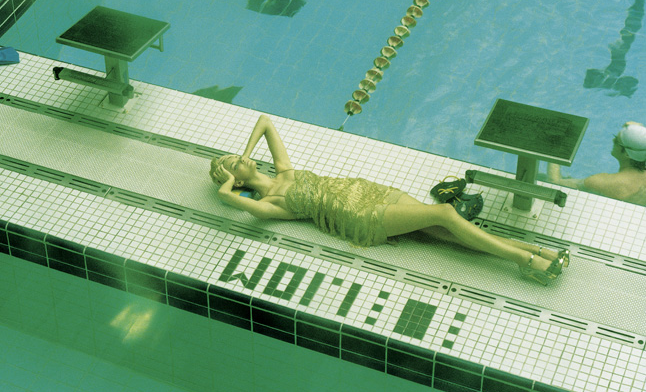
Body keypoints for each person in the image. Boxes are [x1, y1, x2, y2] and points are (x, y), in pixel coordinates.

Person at [210, 115, 568, 284]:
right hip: (360, 216)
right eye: (233, 164)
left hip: (370, 191)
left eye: (236, 157)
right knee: (445, 213)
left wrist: (244, 154)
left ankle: (538, 253)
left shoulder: (284, 172)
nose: (240, 160)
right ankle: (525, 259)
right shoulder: (270, 204)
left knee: (445, 231)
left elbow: (265, 122)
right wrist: (228, 184)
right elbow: (231, 199)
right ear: (235, 179)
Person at [548, 121, 646, 205]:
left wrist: (555, 148)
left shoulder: (604, 182)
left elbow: (554, 184)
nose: (613, 140)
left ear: (627, 154)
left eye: (616, 140)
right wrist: (635, 129)